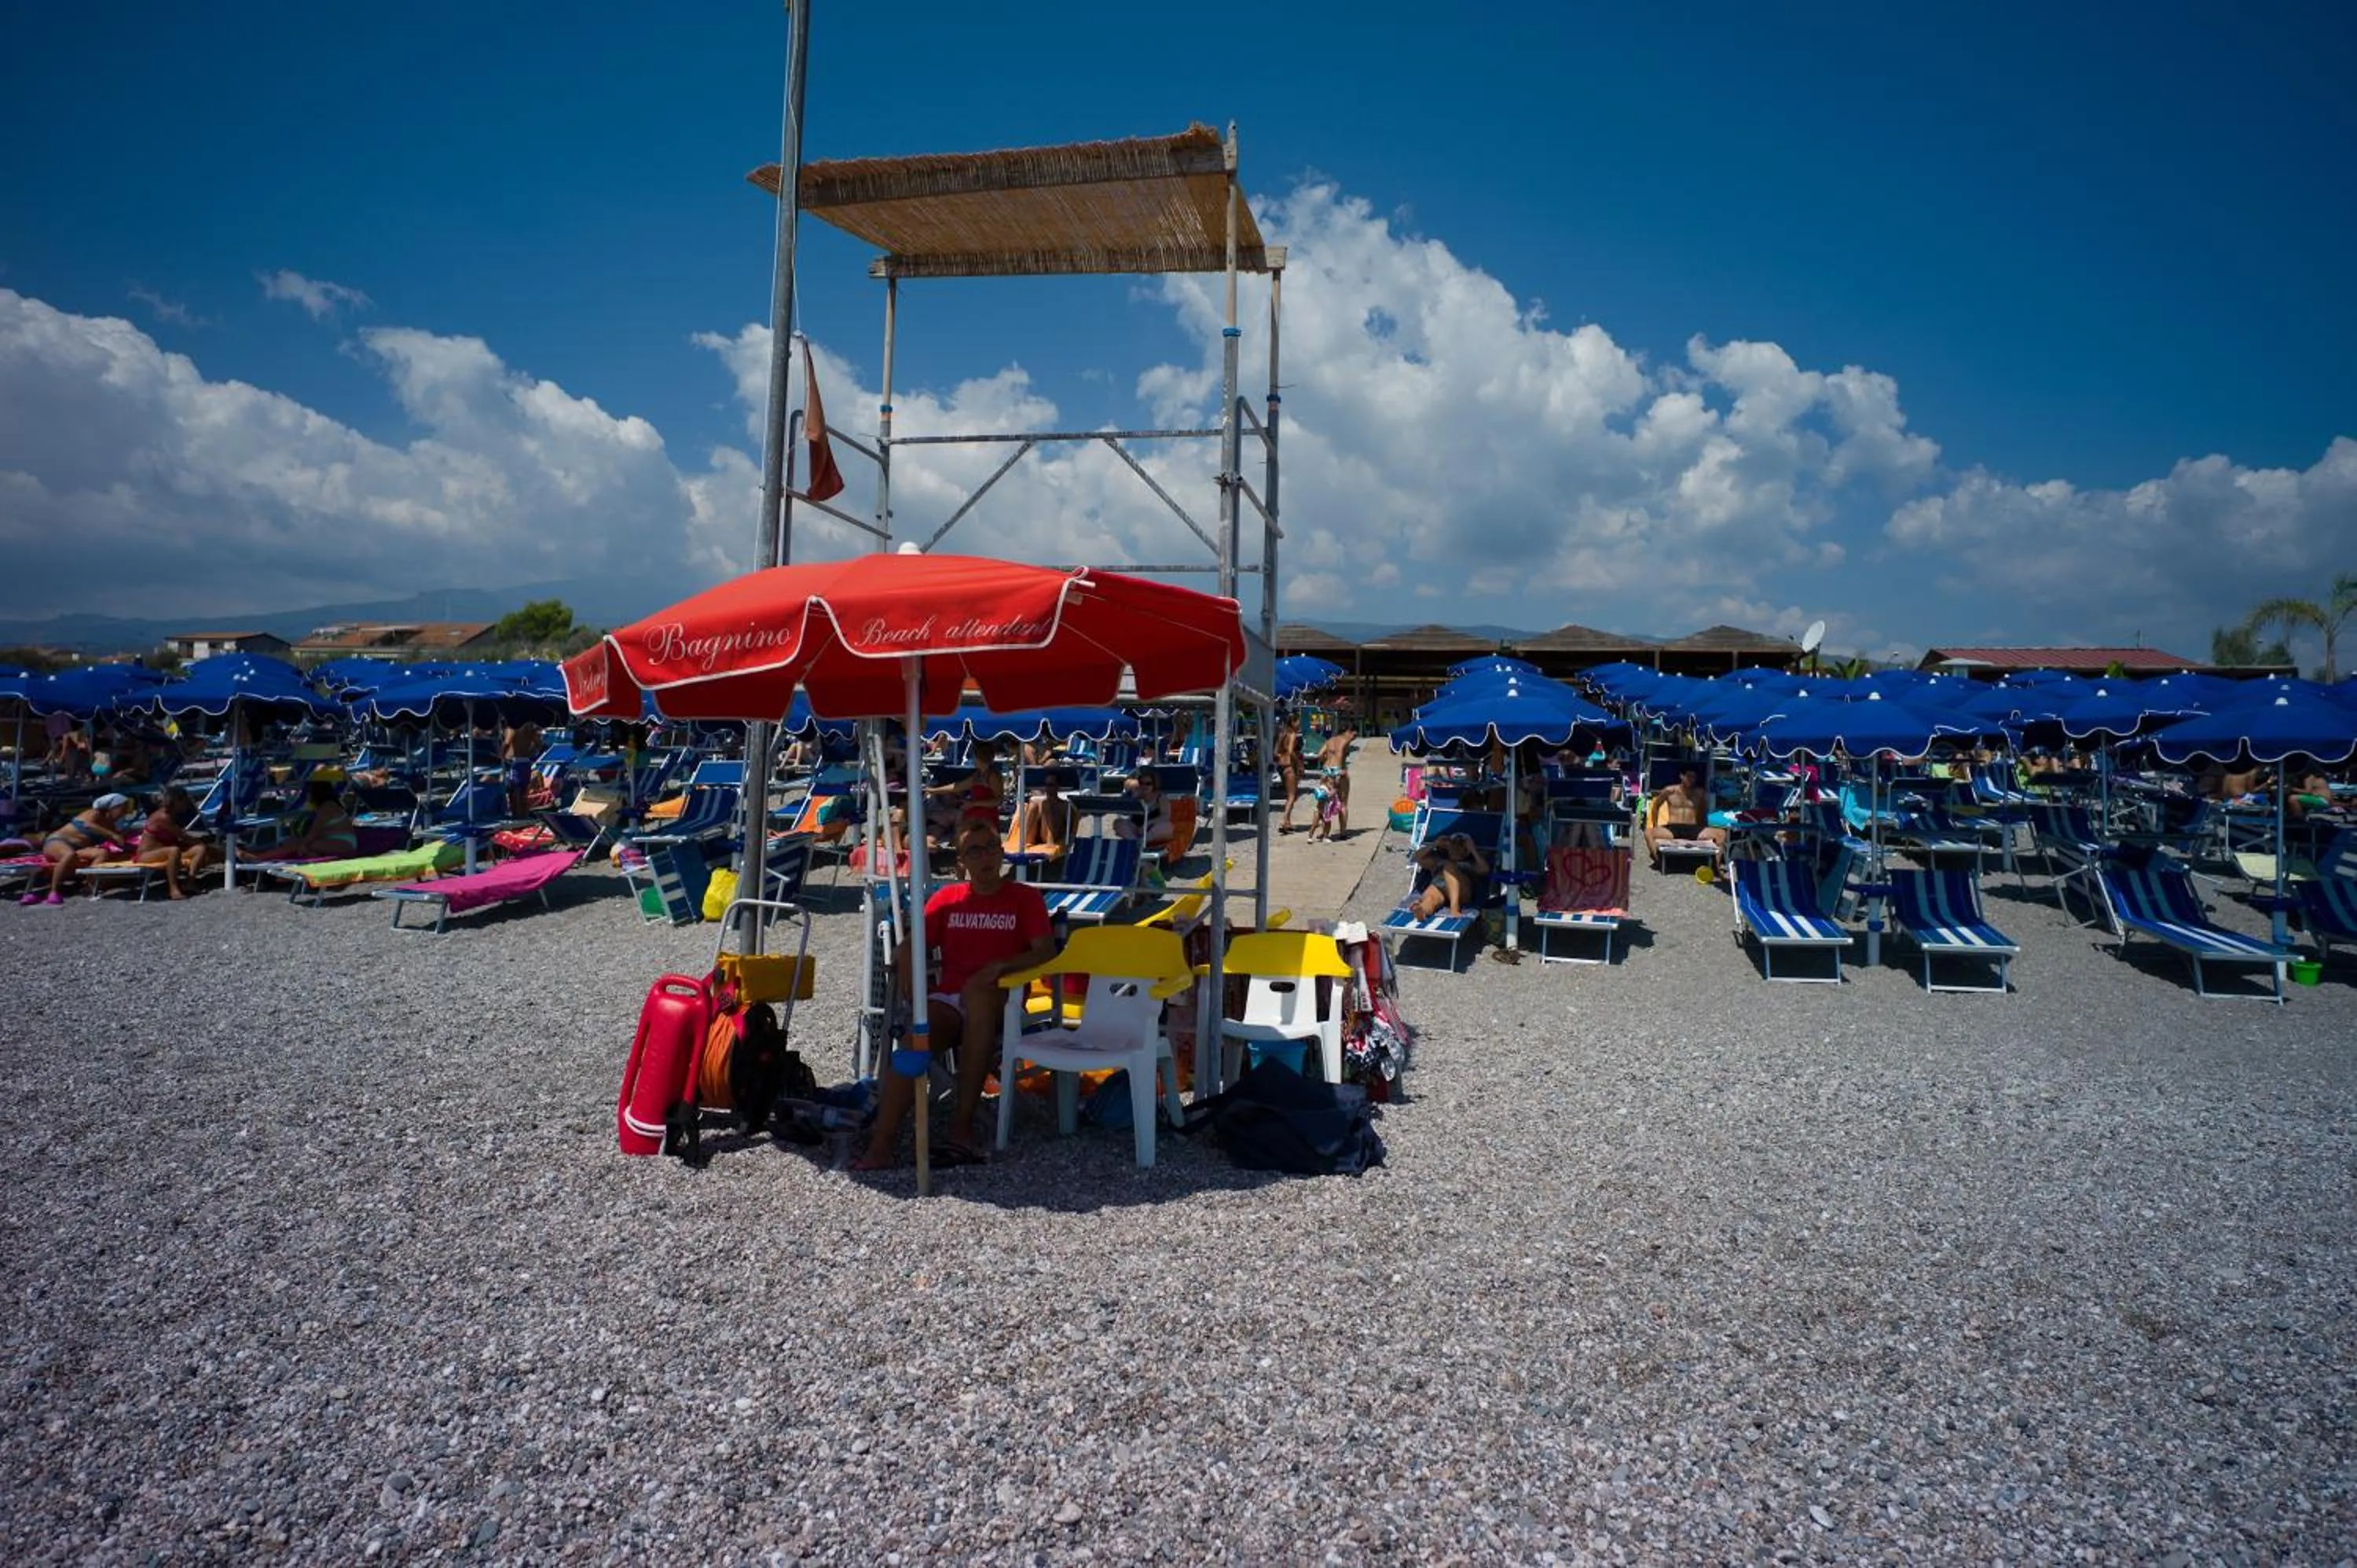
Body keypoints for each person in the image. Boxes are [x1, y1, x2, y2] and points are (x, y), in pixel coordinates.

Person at [852, 820, 1058, 1172]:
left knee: (978, 993)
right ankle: (882, 1142)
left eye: (991, 847)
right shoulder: (947, 899)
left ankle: (960, 1127)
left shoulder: (1025, 898)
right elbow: (914, 943)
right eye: (974, 851)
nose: (985, 857)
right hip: (950, 998)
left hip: (1001, 996)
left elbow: (1045, 951)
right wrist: (907, 956)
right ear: (961, 862)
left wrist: (1000, 967)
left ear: (1002, 852)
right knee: (916, 1042)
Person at [26, 793, 134, 905]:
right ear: (113, 807)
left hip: (77, 849)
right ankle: (53, 891)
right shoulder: (93, 813)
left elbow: (119, 840)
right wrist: (112, 835)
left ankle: (90, 884)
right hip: (57, 842)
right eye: (123, 808)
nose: (125, 812)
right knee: (69, 854)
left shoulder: (110, 824)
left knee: (102, 853)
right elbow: (89, 825)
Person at [243, 779, 359, 864]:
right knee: (297, 842)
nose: (307, 795)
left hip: (343, 843)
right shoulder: (330, 804)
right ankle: (259, 856)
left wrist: (302, 845)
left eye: (309, 792)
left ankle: (258, 858)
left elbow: (314, 833)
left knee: (298, 844)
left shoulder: (327, 807)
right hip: (341, 841)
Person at [136, 785, 217, 899]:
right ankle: (173, 889)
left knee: (200, 849)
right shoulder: (162, 817)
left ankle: (189, 882)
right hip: (147, 854)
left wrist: (202, 844)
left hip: (165, 851)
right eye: (185, 801)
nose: (187, 804)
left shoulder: (172, 815)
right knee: (174, 850)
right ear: (176, 801)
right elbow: (183, 837)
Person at [1644, 765, 1726, 867]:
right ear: (1682, 776)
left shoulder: (1700, 793)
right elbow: (1656, 806)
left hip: (1693, 829)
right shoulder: (1670, 791)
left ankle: (1716, 866)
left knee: (1721, 834)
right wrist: (1655, 824)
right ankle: (1658, 860)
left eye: (1694, 777)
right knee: (1648, 833)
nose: (1691, 780)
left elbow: (1702, 811)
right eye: (1689, 777)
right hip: (1673, 829)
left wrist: (1703, 828)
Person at [1409, 830, 1490, 919]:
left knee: (1449, 867)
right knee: (1430, 898)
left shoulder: (1470, 863)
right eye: (1453, 843)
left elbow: (1485, 870)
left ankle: (1454, 908)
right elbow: (1418, 857)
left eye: (1460, 845)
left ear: (1467, 850)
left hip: (1462, 892)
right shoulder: (1439, 860)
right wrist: (1435, 844)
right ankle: (1422, 910)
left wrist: (1473, 850)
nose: (1456, 847)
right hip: (1440, 887)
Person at [1308, 727, 1357, 835]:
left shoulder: (1330, 740)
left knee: (1323, 802)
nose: (1354, 738)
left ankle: (1323, 831)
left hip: (1326, 772)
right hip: (1338, 771)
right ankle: (1343, 832)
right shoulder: (1345, 741)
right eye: (1354, 735)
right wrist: (1338, 771)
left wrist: (1327, 763)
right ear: (1348, 732)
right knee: (1343, 803)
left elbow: (1320, 755)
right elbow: (1340, 755)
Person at [1274, 715, 1305, 832]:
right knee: (1292, 796)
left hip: (1281, 767)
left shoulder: (1282, 734)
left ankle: (1288, 822)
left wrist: (1283, 756)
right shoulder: (1293, 735)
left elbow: (1275, 753)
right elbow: (1291, 751)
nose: (1299, 725)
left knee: (1290, 795)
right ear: (1293, 722)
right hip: (1290, 767)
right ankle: (1284, 821)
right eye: (1298, 722)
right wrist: (1300, 764)